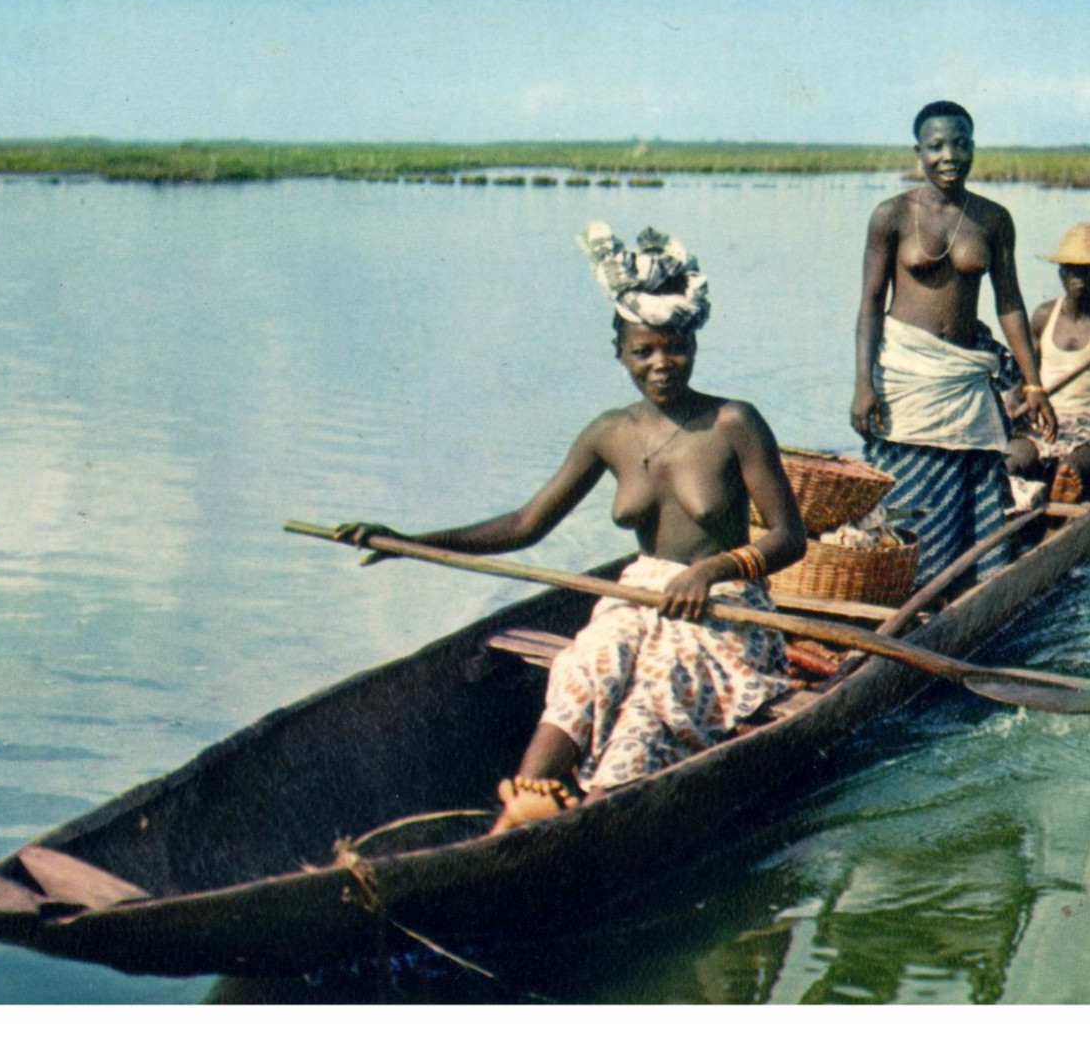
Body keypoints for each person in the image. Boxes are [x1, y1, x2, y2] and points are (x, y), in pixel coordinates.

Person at [340, 222, 806, 833]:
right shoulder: (608, 432)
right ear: (619, 352)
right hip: (640, 592)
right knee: (589, 661)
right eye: (644, 351)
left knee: (655, 698)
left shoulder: (734, 423)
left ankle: (594, 818)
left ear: (694, 345)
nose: (662, 364)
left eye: (676, 347)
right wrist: (408, 542)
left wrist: (711, 570)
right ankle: (523, 805)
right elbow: (526, 524)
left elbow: (787, 537)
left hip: (722, 608)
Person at [849, 101, 1056, 588]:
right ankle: (898, 586)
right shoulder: (892, 216)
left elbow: (1010, 303)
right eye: (937, 146)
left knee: (971, 483)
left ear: (973, 147)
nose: (950, 156)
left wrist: (1033, 384)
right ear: (918, 151)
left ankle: (958, 593)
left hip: (963, 377)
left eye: (961, 144)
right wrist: (863, 385)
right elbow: (869, 305)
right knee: (901, 480)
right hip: (903, 371)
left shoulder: (992, 219)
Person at [1006, 222, 1090, 502]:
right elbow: (1025, 375)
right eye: (1074, 271)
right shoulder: (1044, 316)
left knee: (1073, 465)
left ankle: (1064, 486)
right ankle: (1025, 498)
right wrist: (1010, 403)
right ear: (1062, 274)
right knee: (1012, 460)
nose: (1081, 278)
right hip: (1043, 420)